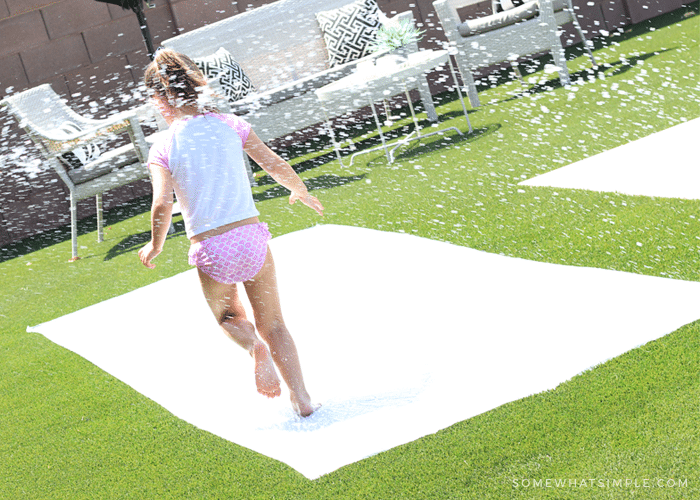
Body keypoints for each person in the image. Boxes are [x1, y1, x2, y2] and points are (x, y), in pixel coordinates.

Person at [138, 48, 323, 417]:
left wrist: (155, 245)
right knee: (275, 323)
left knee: (227, 318)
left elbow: (162, 204)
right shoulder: (230, 123)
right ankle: (301, 398)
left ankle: (254, 348)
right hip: (251, 239)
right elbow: (273, 163)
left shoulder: (164, 145)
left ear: (160, 101)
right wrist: (299, 190)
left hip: (211, 249)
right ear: (197, 86)